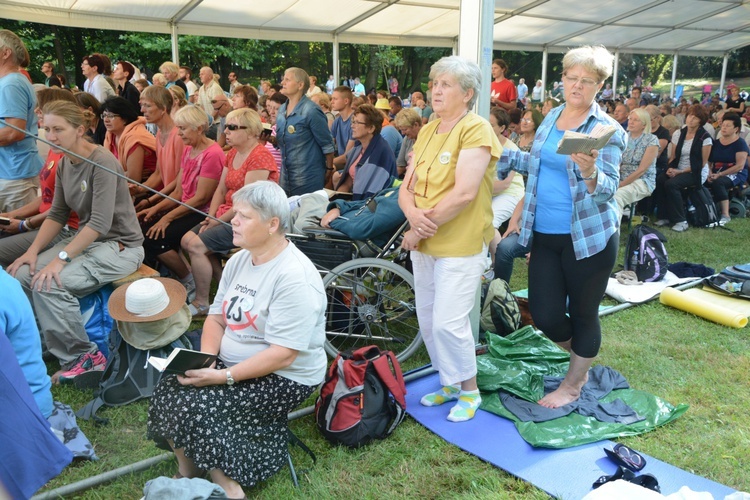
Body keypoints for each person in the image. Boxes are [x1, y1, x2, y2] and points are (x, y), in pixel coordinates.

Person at [147, 181, 327, 497]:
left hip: (285, 377)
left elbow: (283, 355)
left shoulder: (294, 276)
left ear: (272, 225)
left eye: (244, 216)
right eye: (236, 214)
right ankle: (189, 471)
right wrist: (206, 360)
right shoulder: (241, 259)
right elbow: (216, 317)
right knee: (171, 386)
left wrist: (222, 376)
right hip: (231, 364)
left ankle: (230, 488)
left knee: (204, 404)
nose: (233, 220)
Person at [497, 45, 626, 408]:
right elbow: (539, 165)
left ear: (599, 85)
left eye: (587, 81)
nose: (577, 86)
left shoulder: (607, 130)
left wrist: (589, 171)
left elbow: (608, 190)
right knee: (547, 314)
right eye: (572, 78)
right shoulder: (552, 117)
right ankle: (581, 359)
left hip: (589, 238)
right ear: (563, 79)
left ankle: (574, 382)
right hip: (545, 234)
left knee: (584, 314)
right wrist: (504, 156)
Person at [7, 101, 144, 384]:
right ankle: (44, 342)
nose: (51, 136)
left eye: (58, 129)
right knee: (21, 273)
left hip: (121, 246)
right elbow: (57, 213)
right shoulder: (65, 161)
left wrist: (60, 260)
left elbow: (100, 223)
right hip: (86, 241)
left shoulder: (102, 161)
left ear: (80, 130)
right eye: (47, 129)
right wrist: (31, 253)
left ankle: (85, 357)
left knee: (49, 283)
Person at [399, 55, 501, 422]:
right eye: (434, 83)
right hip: (425, 241)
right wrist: (411, 213)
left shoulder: (476, 129)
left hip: (460, 241)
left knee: (449, 321)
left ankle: (469, 391)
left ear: (468, 93)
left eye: (445, 85)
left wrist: (417, 227)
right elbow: (406, 186)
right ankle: (448, 380)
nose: (436, 90)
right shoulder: (428, 128)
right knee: (427, 318)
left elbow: (464, 193)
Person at [181, 108, 278, 316]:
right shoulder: (233, 153)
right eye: (226, 127)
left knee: (197, 245)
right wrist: (211, 216)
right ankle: (226, 287)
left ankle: (202, 302)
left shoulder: (260, 156)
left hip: (252, 218)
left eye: (232, 127)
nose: (226, 132)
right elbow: (221, 188)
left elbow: (247, 201)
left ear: (252, 132)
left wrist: (216, 222)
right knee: (186, 239)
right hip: (229, 213)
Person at [137, 105, 222, 293]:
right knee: (145, 224)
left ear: (199, 128)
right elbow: (178, 192)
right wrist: (153, 209)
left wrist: (167, 218)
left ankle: (187, 279)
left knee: (153, 237)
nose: (179, 134)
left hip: (203, 212)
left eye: (183, 128)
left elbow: (201, 198)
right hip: (188, 207)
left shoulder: (213, 153)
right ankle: (182, 274)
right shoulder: (188, 149)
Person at [0, 88, 80, 268]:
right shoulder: (55, 146)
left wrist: (24, 225)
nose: (36, 112)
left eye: (40, 107)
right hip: (50, 222)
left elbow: (62, 209)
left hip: (65, 228)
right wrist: (11, 215)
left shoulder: (68, 154)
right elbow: (47, 197)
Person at [0, 29, 43, 213]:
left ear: (5, 53)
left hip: (16, 177)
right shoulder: (12, 81)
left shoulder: (11, 83)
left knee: (15, 235)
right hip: (13, 173)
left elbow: (14, 131)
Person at [275, 67, 335, 195]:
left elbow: (327, 144)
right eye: (283, 79)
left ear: (300, 85)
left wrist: (329, 169)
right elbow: (285, 141)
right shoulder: (281, 110)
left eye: (287, 80)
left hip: (307, 179)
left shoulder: (311, 110)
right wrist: (270, 139)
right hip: (285, 178)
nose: (282, 83)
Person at [654, 104, 712, 232]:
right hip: (677, 168)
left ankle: (681, 220)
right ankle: (664, 216)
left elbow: (701, 164)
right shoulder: (678, 133)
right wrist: (670, 168)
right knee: (660, 179)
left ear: (700, 121)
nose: (691, 119)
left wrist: (680, 171)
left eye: (695, 118)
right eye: (690, 116)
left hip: (695, 172)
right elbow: (673, 156)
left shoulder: (705, 138)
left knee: (671, 184)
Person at [133, 85, 184, 206]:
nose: (142, 110)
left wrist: (151, 202)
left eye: (148, 106)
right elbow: (158, 174)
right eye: (142, 105)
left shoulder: (179, 136)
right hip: (167, 197)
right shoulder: (160, 132)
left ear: (163, 109)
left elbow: (179, 182)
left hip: (177, 201)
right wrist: (138, 189)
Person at [333, 104, 397, 200]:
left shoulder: (380, 153)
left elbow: (370, 197)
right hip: (355, 200)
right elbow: (348, 182)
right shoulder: (359, 147)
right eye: (353, 122)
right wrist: (338, 200)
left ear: (371, 128)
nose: (352, 126)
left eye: (357, 123)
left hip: (369, 206)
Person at [613, 108, 659, 219]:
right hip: (621, 177)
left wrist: (622, 184)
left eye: (636, 120)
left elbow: (642, 169)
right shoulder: (623, 137)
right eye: (630, 119)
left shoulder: (651, 140)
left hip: (642, 180)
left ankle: (613, 234)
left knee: (617, 195)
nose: (631, 122)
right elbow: (617, 162)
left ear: (644, 124)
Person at [101, 96, 157, 183]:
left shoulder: (134, 138)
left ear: (125, 119)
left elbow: (133, 178)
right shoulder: (110, 135)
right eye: (104, 115)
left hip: (147, 189)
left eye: (111, 116)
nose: (106, 120)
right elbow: (105, 169)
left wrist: (114, 174)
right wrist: (123, 173)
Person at [706, 112, 749, 224]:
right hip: (716, 171)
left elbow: (739, 165)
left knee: (719, 182)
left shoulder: (740, 143)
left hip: (736, 173)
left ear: (736, 129)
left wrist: (720, 174)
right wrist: (709, 172)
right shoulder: (715, 143)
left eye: (728, 126)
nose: (724, 128)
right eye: (723, 125)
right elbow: (709, 161)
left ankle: (725, 214)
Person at [394, 108, 422, 179]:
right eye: (401, 130)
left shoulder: (428, 137)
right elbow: (401, 166)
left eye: (405, 129)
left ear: (416, 125)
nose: (403, 133)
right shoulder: (407, 139)